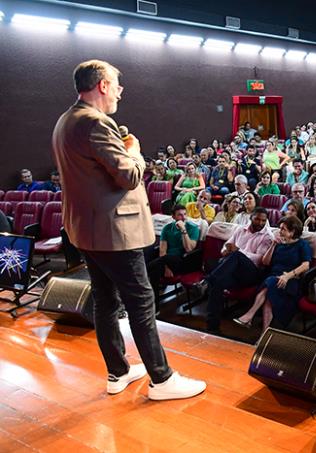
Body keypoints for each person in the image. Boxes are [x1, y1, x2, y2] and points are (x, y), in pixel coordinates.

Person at [51, 60, 204, 400]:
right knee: (140, 302)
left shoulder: (66, 120)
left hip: (87, 230)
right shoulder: (95, 123)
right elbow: (129, 176)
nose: (121, 90)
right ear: (103, 85)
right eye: (117, 84)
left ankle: (117, 371)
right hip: (114, 231)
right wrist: (134, 151)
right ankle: (162, 380)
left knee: (106, 300)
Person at [202, 207, 274, 333]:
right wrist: (225, 249)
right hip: (234, 271)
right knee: (218, 283)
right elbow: (228, 244)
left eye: (263, 220)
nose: (260, 223)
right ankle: (212, 326)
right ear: (251, 217)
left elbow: (260, 259)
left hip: (252, 274)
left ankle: (206, 281)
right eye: (257, 219)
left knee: (237, 256)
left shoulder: (267, 236)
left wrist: (238, 251)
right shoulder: (241, 229)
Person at [234, 216, 311, 331]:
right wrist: (273, 245)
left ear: (292, 231)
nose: (280, 232)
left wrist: (287, 276)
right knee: (270, 290)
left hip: (290, 280)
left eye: (283, 229)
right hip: (272, 278)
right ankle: (264, 334)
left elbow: (306, 265)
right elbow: (265, 262)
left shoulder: (302, 244)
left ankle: (249, 315)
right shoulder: (279, 244)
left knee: (270, 285)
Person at [147, 204, 200, 306]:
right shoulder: (167, 228)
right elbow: (162, 251)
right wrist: (166, 268)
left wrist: (183, 230)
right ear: (173, 217)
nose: (183, 217)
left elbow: (189, 249)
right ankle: (155, 307)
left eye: (185, 214)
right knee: (155, 271)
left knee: (154, 265)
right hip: (166, 262)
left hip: (184, 261)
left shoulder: (193, 228)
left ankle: (143, 272)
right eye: (180, 215)